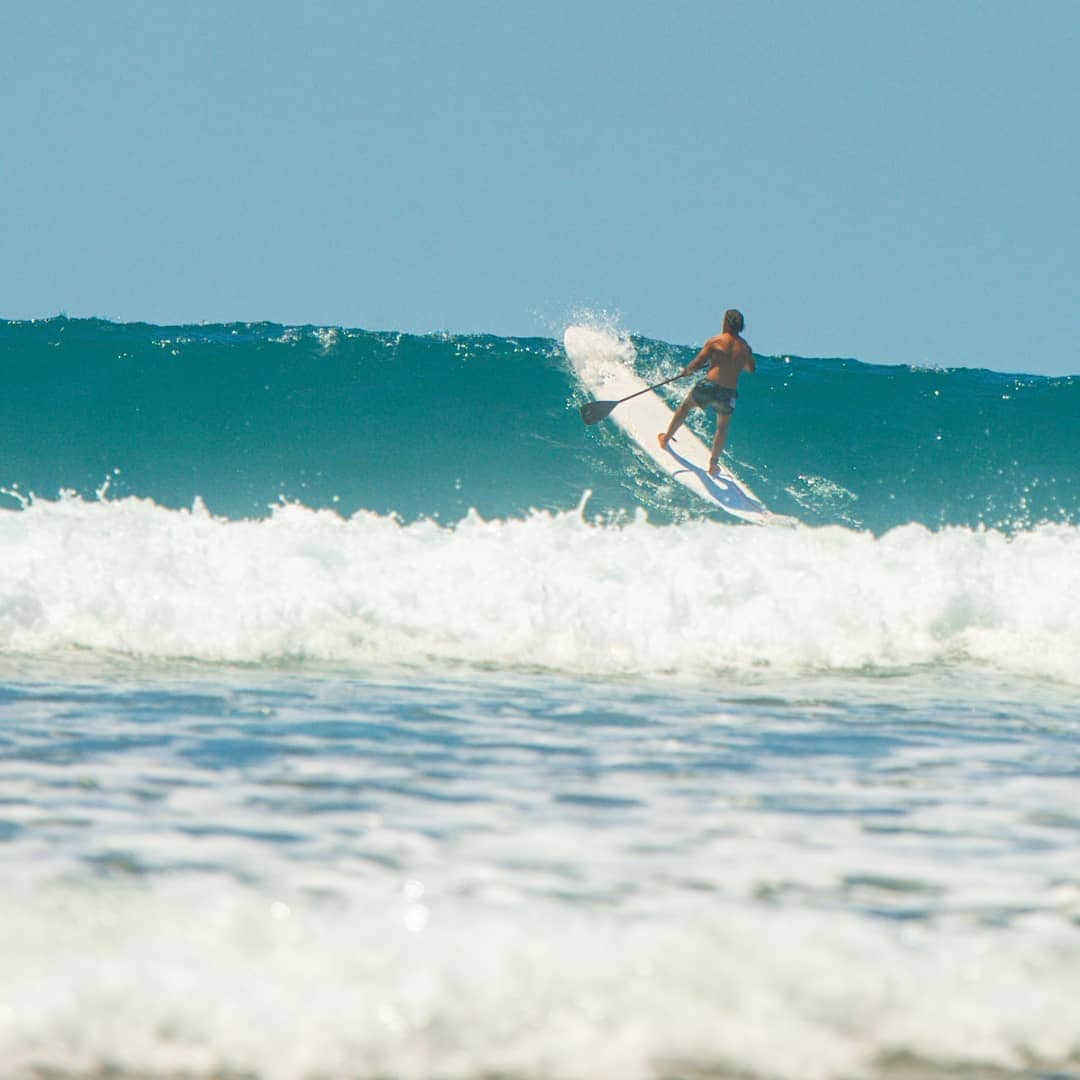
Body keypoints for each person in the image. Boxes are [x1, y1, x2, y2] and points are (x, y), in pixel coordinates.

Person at [658, 309, 754, 475]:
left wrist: (687, 371)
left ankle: (666, 439)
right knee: (722, 427)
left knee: (686, 407)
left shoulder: (716, 341)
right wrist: (737, 362)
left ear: (725, 323)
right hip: (728, 393)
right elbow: (751, 369)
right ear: (741, 327)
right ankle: (713, 464)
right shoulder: (745, 348)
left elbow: (698, 362)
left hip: (710, 385)